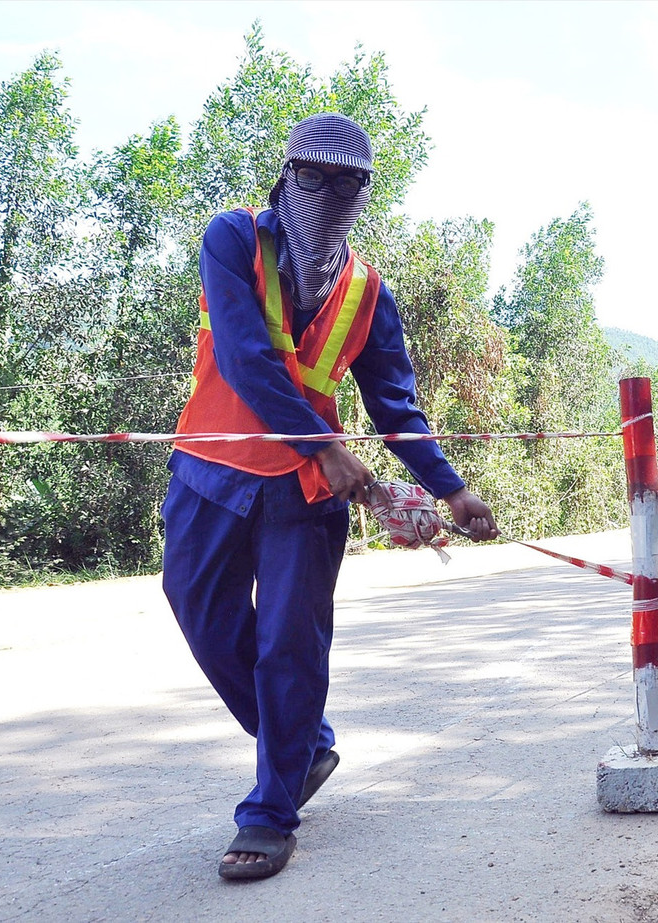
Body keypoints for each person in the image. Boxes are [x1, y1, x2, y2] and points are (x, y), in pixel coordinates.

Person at [161, 113, 498, 881]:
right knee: (204, 618)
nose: (330, 192)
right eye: (315, 176)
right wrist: (325, 444)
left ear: (363, 194)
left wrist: (453, 490)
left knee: (289, 642)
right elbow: (247, 360)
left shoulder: (366, 290)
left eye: (350, 183)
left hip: (306, 499)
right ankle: (305, 747)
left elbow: (396, 405)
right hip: (211, 471)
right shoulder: (233, 239)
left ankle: (270, 810)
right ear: (286, 175)